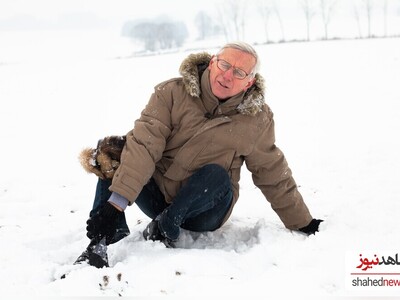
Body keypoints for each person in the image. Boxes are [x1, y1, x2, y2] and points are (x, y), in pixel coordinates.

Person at [77, 41, 323, 266]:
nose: (227, 76)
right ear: (213, 61)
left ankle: (165, 227)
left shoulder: (257, 119)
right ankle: (99, 243)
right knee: (115, 150)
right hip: (157, 196)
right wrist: (116, 204)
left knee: (216, 174)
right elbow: (144, 146)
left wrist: (302, 221)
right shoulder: (171, 94)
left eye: (239, 73)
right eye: (224, 65)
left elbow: (271, 170)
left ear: (250, 82)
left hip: (205, 209)